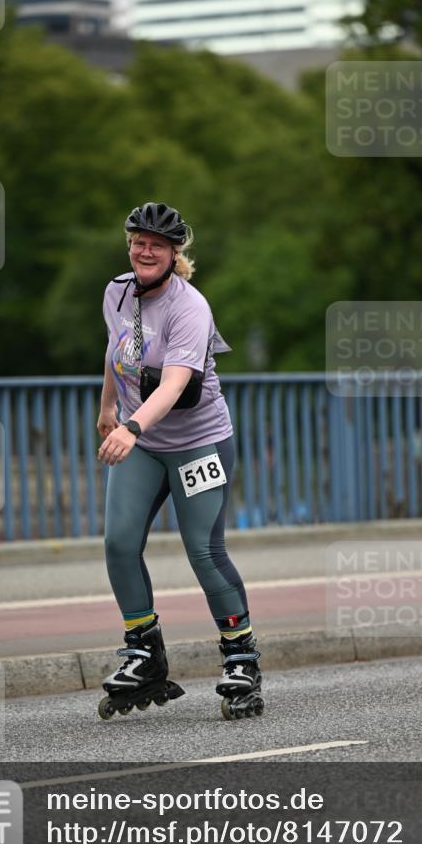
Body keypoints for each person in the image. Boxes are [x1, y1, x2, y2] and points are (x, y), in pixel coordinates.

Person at [96, 202, 263, 720]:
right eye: (138, 241)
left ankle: (241, 658)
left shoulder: (191, 308)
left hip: (198, 443)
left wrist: (131, 426)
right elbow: (116, 350)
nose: (145, 250)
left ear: (174, 254)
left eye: (157, 245)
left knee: (204, 552)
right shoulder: (117, 291)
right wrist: (106, 408)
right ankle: (144, 652)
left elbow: (173, 383)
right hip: (143, 443)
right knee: (119, 543)